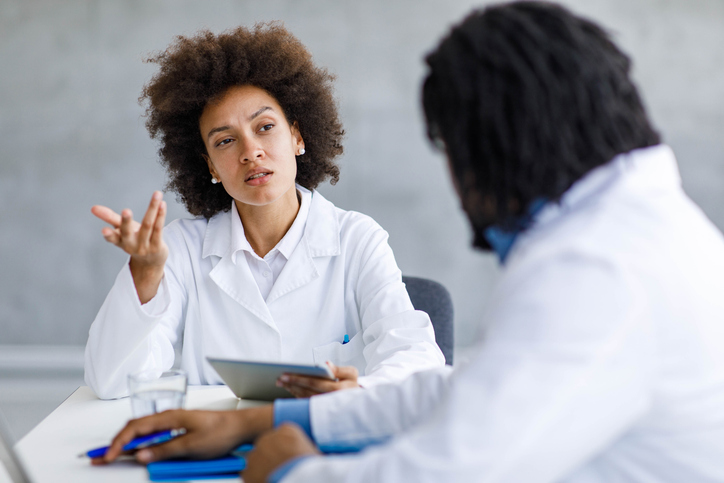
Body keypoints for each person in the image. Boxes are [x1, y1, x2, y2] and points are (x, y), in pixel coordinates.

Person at [96, 2, 724, 482]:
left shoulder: (596, 267)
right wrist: (262, 419)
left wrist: (292, 467)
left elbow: (455, 466)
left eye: (451, 150)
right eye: (224, 139)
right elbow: (460, 392)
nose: (457, 184)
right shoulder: (634, 233)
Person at [85, 23, 445, 400]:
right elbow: (111, 382)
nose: (250, 151)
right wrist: (145, 275)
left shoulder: (357, 239)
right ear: (209, 166)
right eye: (226, 140)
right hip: (220, 448)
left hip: (324, 442)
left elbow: (416, 358)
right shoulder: (181, 248)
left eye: (265, 127)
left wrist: (355, 391)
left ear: (297, 137)